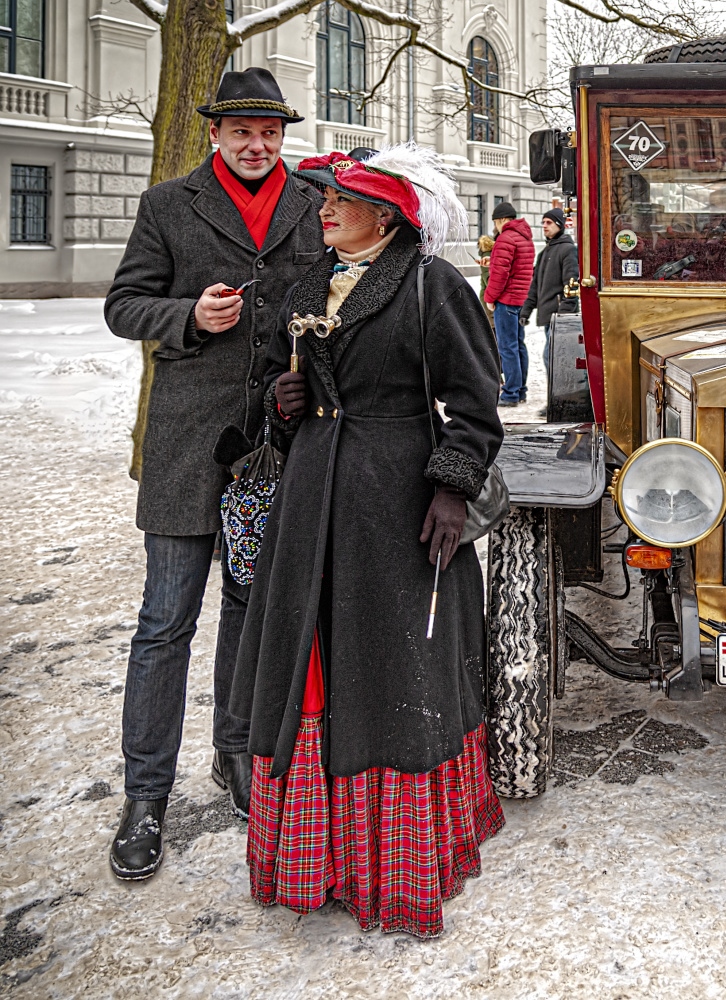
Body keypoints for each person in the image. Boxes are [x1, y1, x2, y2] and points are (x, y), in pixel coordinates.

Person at [230, 143, 506, 939]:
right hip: (312, 498)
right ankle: (319, 860)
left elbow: (476, 402)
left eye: (335, 202)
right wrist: (286, 403)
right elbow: (298, 398)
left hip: (397, 504)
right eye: (322, 201)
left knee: (392, 666)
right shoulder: (308, 284)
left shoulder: (432, 285)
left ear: (383, 215)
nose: (319, 211)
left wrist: (452, 487)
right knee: (314, 661)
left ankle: (397, 864)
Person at [103, 68, 323, 881]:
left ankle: (235, 752)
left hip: (273, 446)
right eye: (242, 131)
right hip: (186, 445)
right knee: (165, 623)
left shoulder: (313, 201)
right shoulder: (168, 204)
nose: (257, 145)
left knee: (246, 607)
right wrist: (186, 316)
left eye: (269, 132)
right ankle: (145, 796)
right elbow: (124, 304)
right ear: (216, 134)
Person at [482, 202, 535, 407]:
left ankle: (511, 392)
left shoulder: (506, 238)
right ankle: (520, 389)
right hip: (520, 298)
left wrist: (490, 297)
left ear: (502, 219)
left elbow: (500, 274)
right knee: (518, 345)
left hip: (506, 300)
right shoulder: (525, 237)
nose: (495, 227)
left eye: (496, 222)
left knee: (507, 347)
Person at [520, 207, 578, 376]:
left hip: (560, 318)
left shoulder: (568, 250)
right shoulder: (545, 252)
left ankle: (560, 401)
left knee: (553, 360)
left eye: (549, 222)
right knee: (551, 361)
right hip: (549, 317)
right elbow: (535, 285)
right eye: (543, 222)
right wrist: (526, 311)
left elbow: (572, 283)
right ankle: (555, 401)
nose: (544, 226)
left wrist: (563, 316)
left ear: (559, 225)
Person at [476, 232, 495, 309]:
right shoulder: (493, 254)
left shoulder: (485, 257)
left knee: (490, 319)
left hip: (487, 294)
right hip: (490, 293)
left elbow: (487, 277)